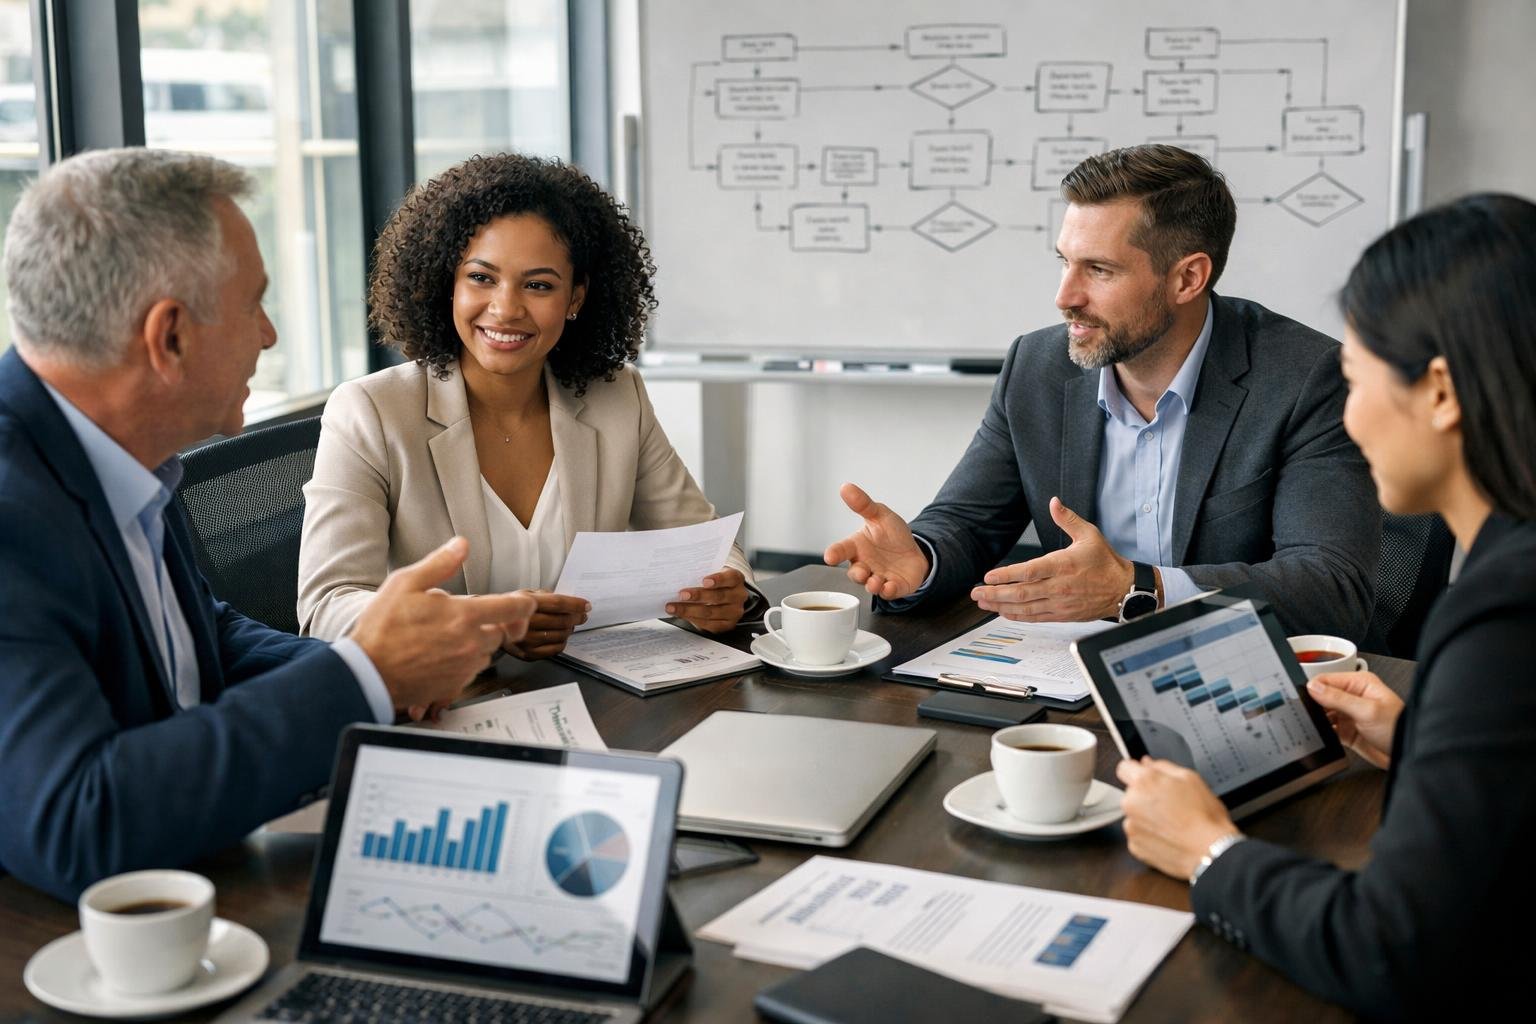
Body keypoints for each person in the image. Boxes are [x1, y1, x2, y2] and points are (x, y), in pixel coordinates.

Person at [0, 149, 537, 902]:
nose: (269, 334)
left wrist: (388, 669)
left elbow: (196, 634)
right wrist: (364, 677)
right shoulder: (10, 514)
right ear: (171, 337)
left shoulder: (117, 450)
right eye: (254, 303)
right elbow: (79, 821)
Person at [1115, 194, 1536, 1018]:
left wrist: (1208, 852)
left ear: (1441, 392)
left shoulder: (1504, 616)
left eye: (1355, 380)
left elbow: (1391, 951)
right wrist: (1420, 737)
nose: (1348, 416)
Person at [824, 144, 1379, 640]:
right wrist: (922, 559)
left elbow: (1330, 588)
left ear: (1188, 278)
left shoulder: (1305, 376)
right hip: (1070, 677)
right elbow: (968, 524)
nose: (1065, 296)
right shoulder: (1036, 367)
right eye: (1065, 262)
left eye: (1100, 270)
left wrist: (1136, 590)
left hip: (1233, 677)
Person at [298, 153, 755, 658]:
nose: (505, 308)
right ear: (446, 281)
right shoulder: (370, 411)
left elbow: (704, 540)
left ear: (575, 297)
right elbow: (326, 609)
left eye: (538, 285)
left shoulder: (616, 396)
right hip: (449, 700)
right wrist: (487, 624)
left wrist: (727, 589)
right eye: (481, 277)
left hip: (591, 692)